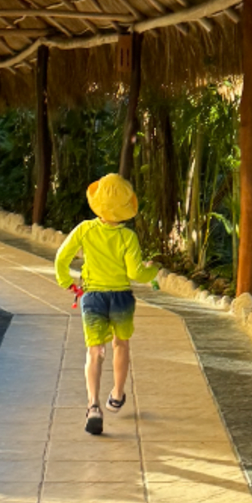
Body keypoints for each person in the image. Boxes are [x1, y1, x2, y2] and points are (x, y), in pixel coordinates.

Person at [54, 173, 161, 435]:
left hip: (93, 296)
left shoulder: (85, 229)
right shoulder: (128, 237)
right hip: (121, 297)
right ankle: (117, 394)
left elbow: (61, 259)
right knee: (120, 344)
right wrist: (153, 270)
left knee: (95, 351)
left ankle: (93, 406)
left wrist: (68, 283)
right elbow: (136, 273)